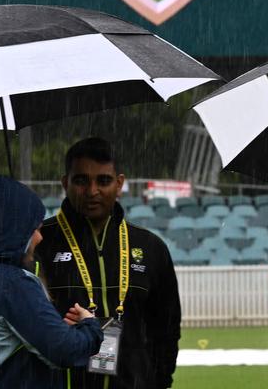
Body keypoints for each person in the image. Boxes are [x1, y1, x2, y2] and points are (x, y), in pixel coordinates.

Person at [35, 137, 181, 389]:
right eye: (81, 180)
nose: (92, 191)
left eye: (103, 180)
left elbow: (166, 331)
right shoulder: (41, 243)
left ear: (120, 183)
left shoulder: (150, 247)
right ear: (65, 183)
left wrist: (158, 382)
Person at [0, 174, 103, 389]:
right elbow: (63, 351)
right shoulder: (11, 284)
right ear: (15, 230)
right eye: (36, 229)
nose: (40, 238)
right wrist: (90, 326)